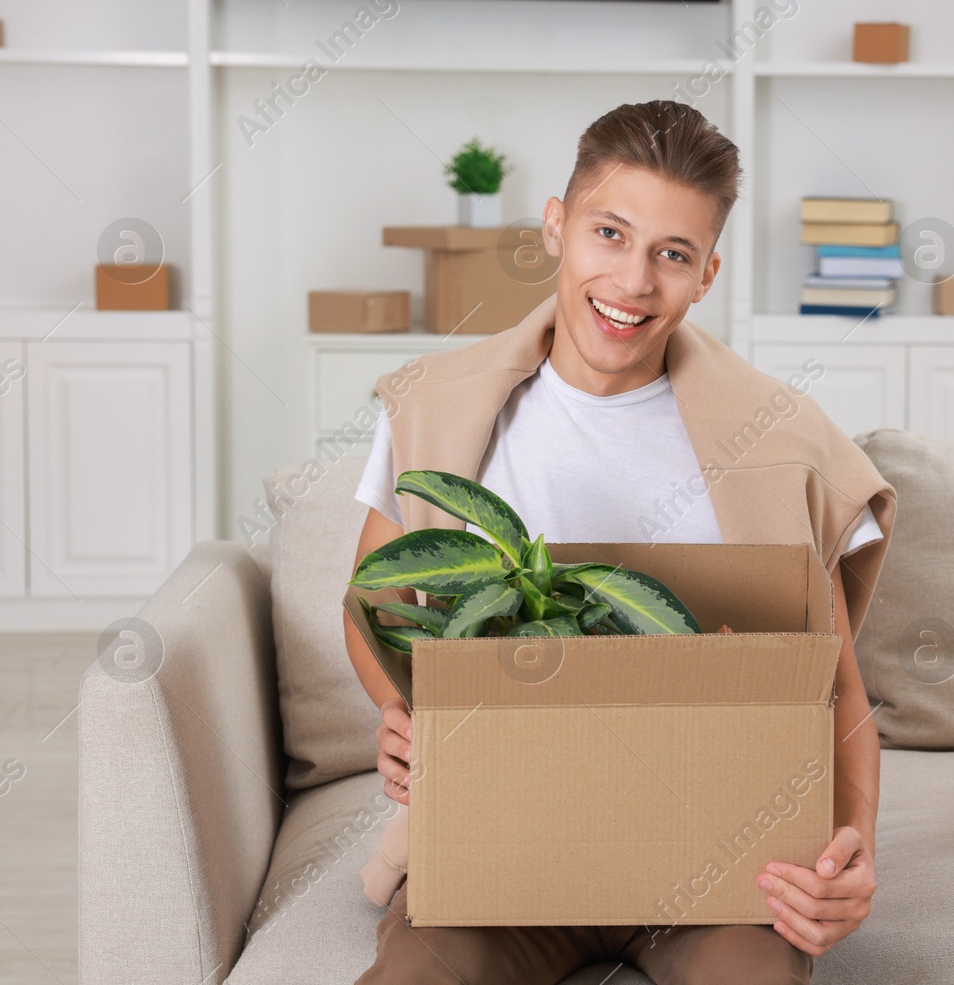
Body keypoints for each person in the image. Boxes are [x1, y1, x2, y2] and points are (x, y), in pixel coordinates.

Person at [344, 99, 895, 984]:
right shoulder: (438, 406)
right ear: (556, 227)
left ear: (707, 273)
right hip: (502, 854)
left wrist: (852, 848)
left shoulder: (783, 442)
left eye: (672, 254)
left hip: (722, 869)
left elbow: (839, 690)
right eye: (610, 233)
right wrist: (400, 710)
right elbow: (369, 603)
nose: (634, 281)